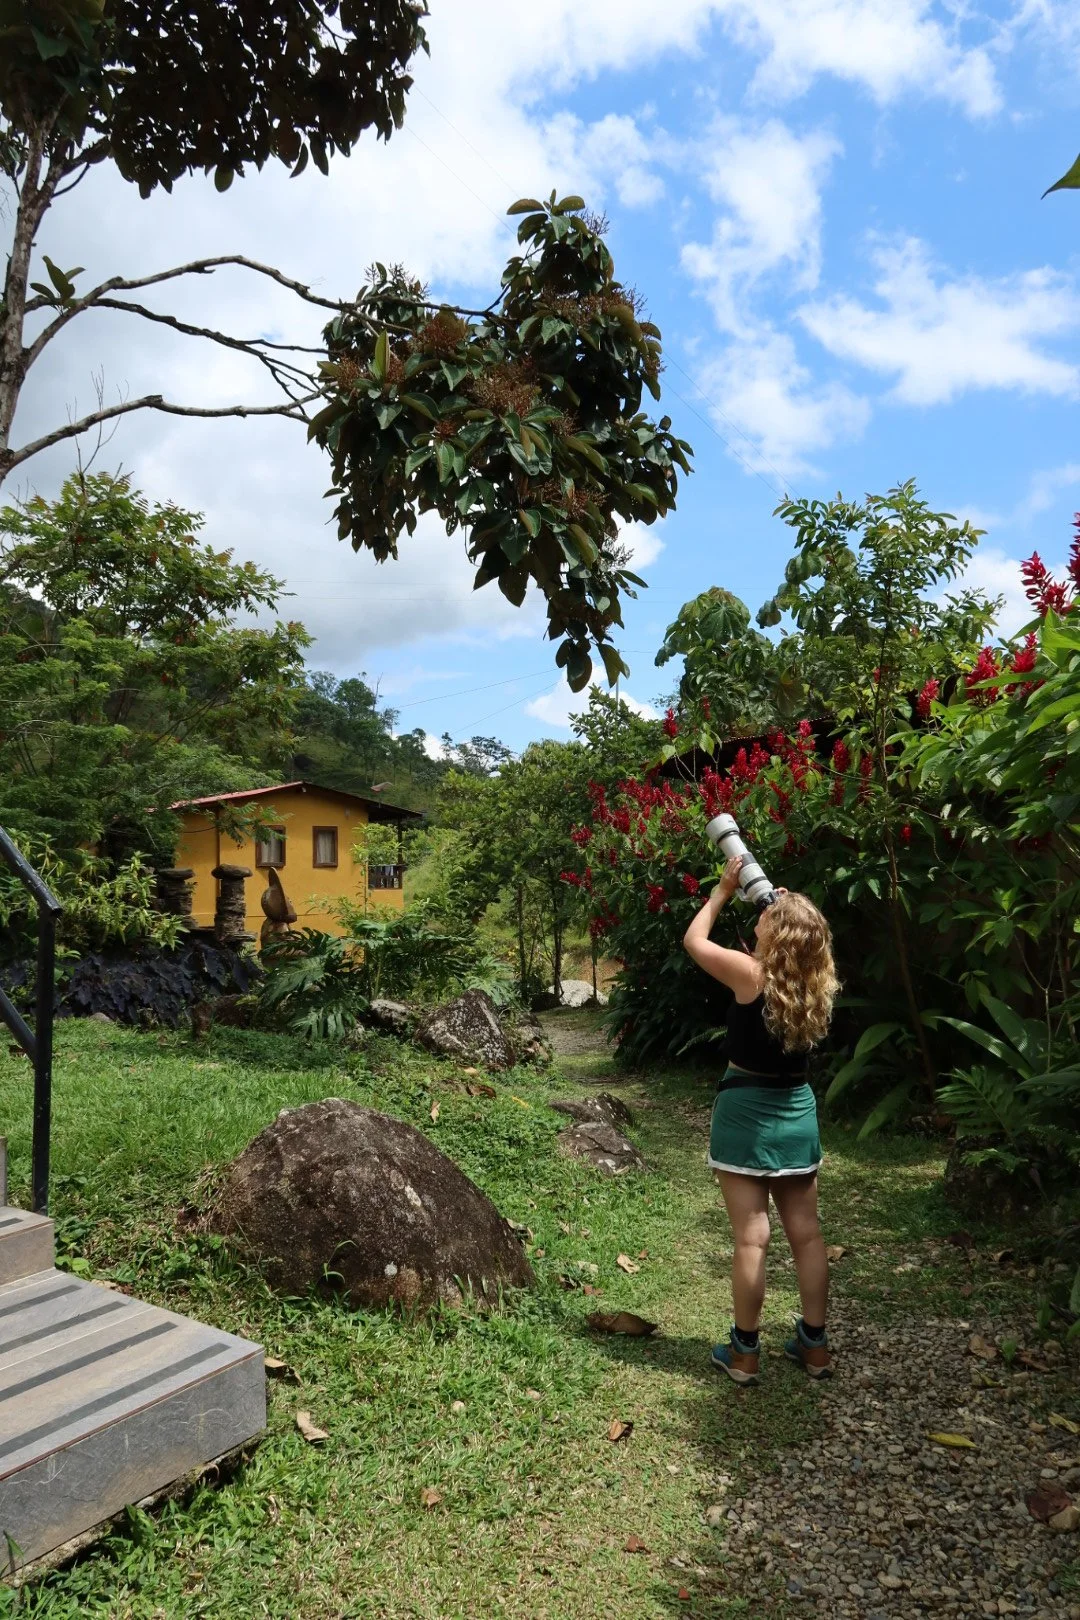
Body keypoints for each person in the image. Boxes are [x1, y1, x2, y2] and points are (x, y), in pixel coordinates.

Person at [683, 855, 839, 1386]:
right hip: (797, 1115)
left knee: (752, 1238)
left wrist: (725, 889)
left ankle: (745, 1353)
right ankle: (814, 1348)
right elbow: (794, 947)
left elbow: (695, 941)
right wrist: (788, 914)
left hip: (745, 1115)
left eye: (771, 914)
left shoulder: (751, 975)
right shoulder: (815, 985)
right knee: (808, 1236)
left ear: (775, 938)